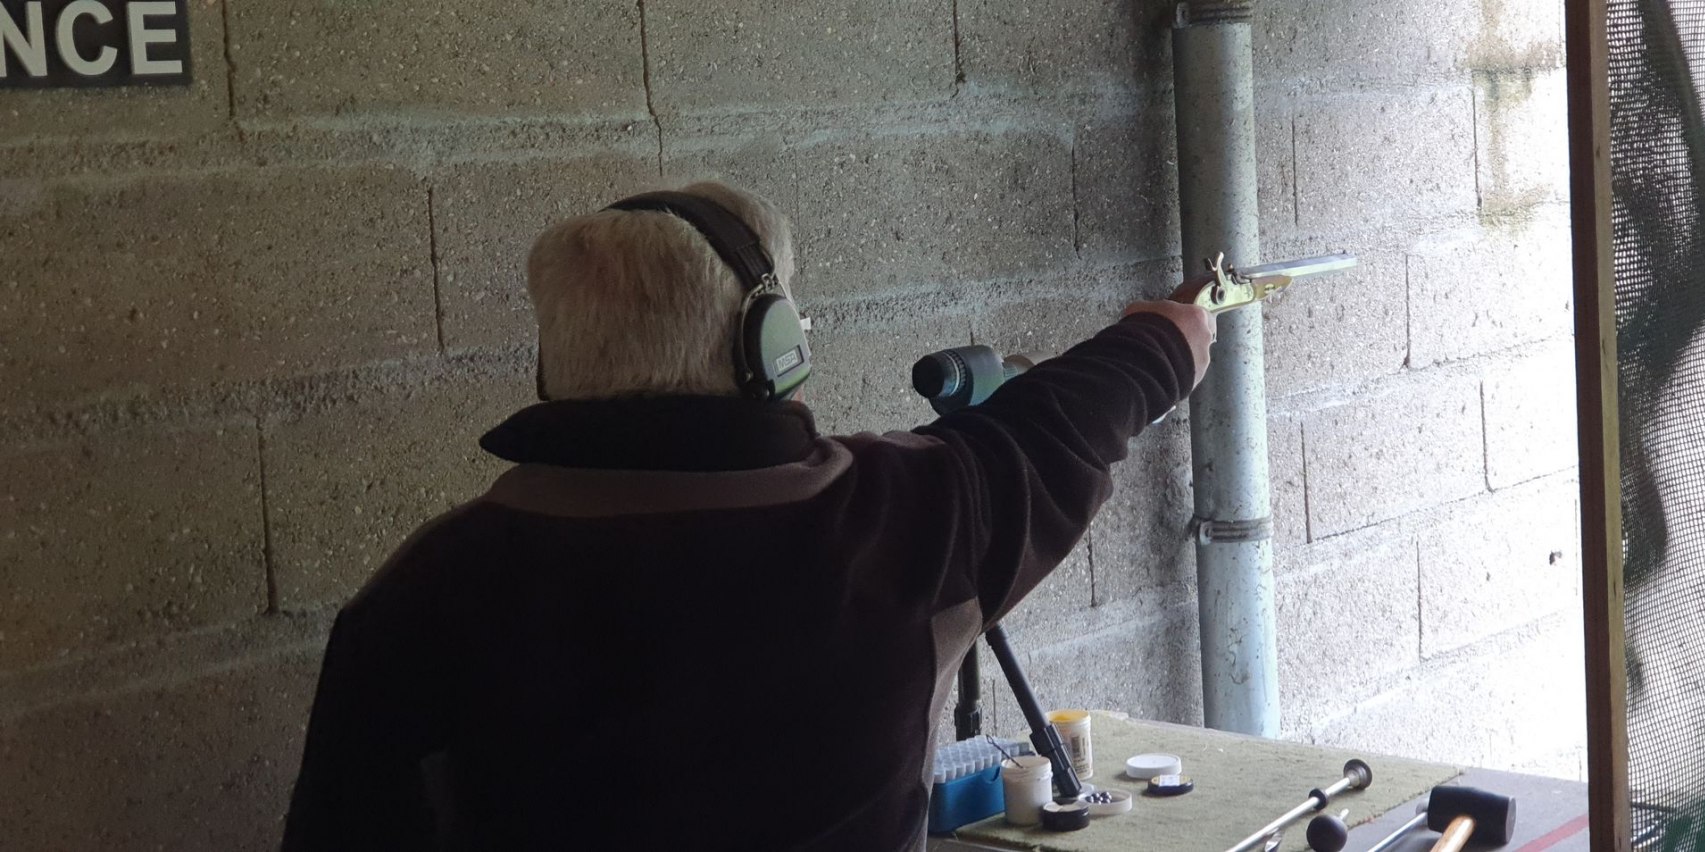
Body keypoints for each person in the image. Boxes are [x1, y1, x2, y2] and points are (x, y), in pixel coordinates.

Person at [280, 181, 1215, 851]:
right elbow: (1061, 424)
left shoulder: (427, 589)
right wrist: (1169, 336)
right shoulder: (901, 516)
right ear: (767, 347)